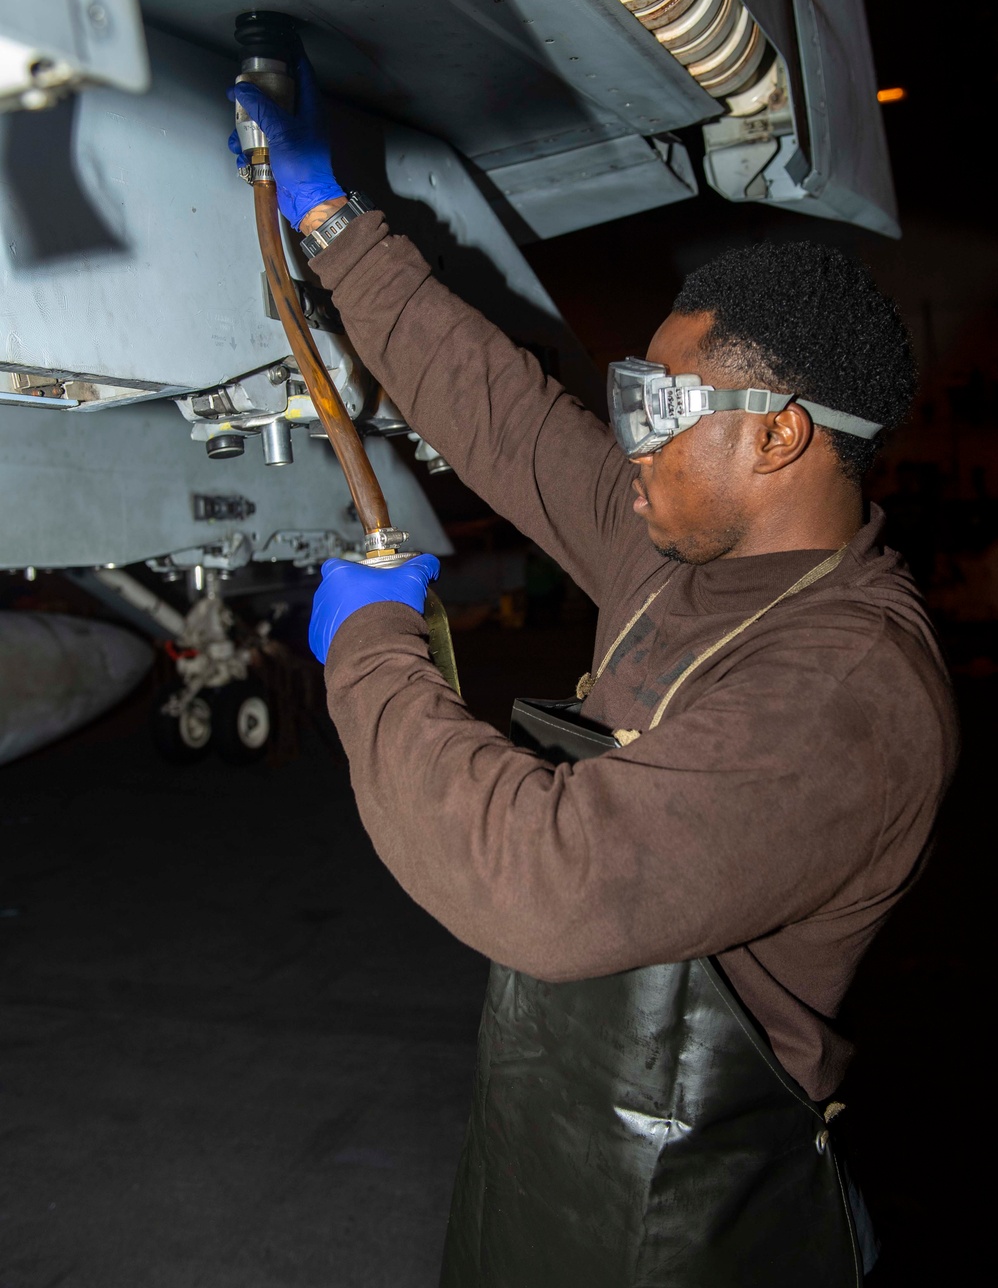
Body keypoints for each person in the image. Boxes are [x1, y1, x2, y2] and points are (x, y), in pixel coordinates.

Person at [230, 62, 958, 1287]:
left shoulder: (848, 693)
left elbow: (546, 880)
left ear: (780, 431)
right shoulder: (677, 550)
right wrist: (331, 223)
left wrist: (367, 649)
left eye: (663, 404)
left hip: (700, 1214)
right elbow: (504, 414)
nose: (633, 439)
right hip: (555, 1135)